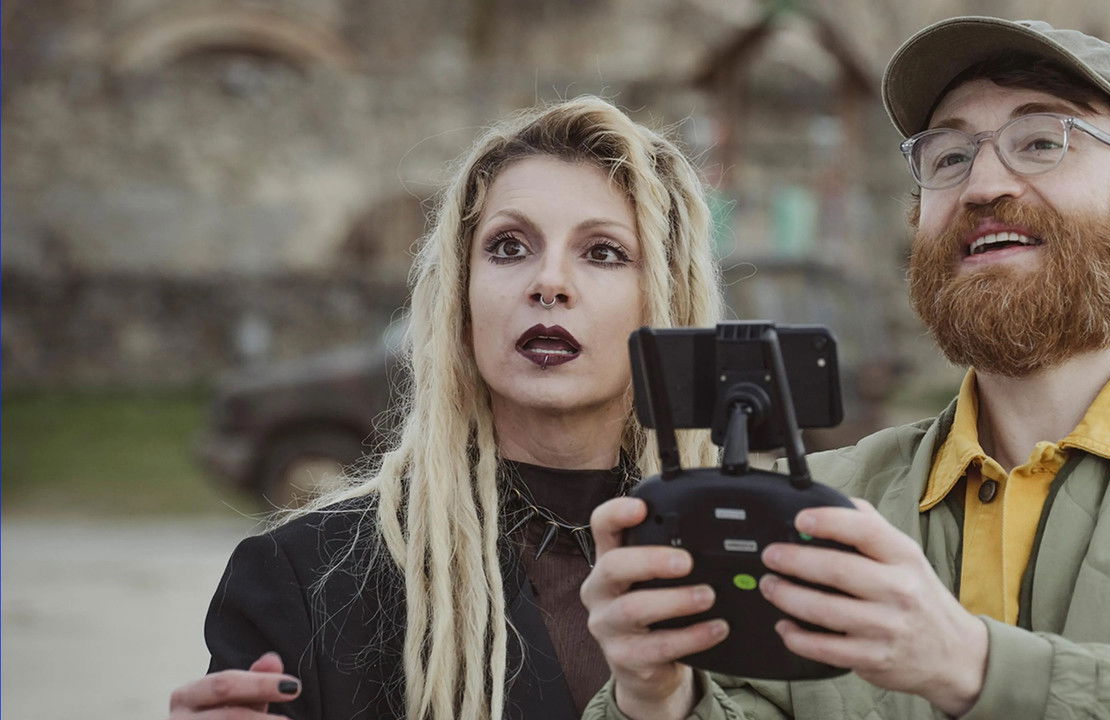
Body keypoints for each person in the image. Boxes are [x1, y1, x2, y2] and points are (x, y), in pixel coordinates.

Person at [581, 16, 1110, 720]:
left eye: (1042, 142)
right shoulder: (821, 503)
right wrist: (657, 698)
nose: (982, 184)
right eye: (949, 157)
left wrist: (966, 662)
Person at [165, 95, 723, 720]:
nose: (549, 282)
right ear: (460, 294)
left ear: (666, 302)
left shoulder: (738, 564)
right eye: (509, 247)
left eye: (603, 252)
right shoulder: (304, 576)